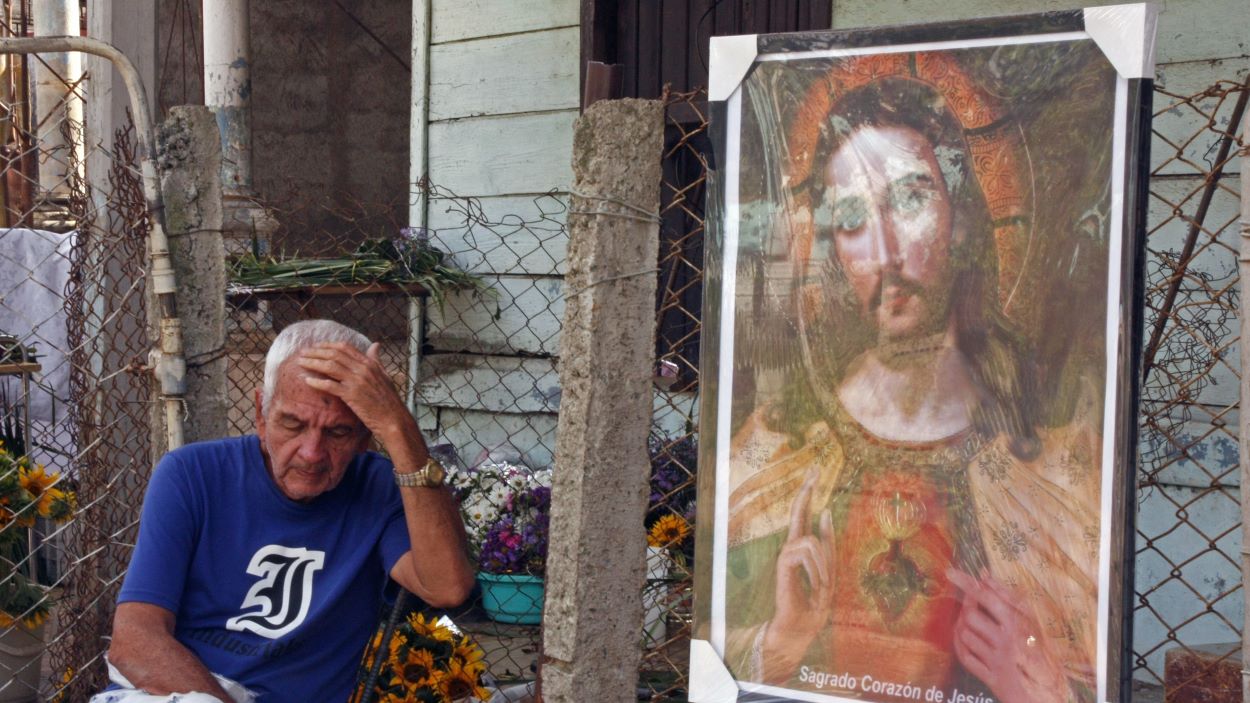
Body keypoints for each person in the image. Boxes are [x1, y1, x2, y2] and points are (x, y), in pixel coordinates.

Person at [724, 74, 1105, 703]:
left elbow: (1088, 669)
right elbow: (725, 655)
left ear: (962, 218)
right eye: (850, 218)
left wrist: (1035, 686)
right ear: (833, 250)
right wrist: (785, 639)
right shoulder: (781, 447)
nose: (885, 252)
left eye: (911, 198)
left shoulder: (1047, 458)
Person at [96, 319, 475, 702]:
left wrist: (399, 428)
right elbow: (135, 640)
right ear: (261, 413)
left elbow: (447, 586)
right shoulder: (191, 475)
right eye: (292, 424)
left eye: (338, 433)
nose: (311, 453)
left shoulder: (381, 488)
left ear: (365, 437)